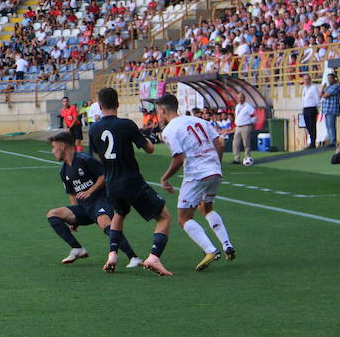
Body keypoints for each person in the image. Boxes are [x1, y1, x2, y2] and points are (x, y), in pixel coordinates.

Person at [89, 87, 173, 276]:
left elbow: (98, 157)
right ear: (117, 104)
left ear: (100, 106)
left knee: (119, 213)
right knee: (164, 217)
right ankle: (154, 257)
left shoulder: (94, 129)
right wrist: (146, 139)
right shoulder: (126, 125)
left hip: (111, 183)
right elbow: (149, 149)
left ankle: (112, 254)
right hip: (131, 181)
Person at [156, 94, 235, 271]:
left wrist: (165, 178)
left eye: (157, 112)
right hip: (214, 171)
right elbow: (219, 143)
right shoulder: (197, 120)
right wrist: (216, 165)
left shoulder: (169, 130)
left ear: (162, 110)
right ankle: (227, 244)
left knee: (184, 218)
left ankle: (210, 250)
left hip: (197, 174)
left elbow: (178, 159)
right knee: (206, 207)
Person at [45, 130, 142, 267]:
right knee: (53, 214)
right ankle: (77, 248)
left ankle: (134, 257)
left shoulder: (85, 159)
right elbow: (72, 193)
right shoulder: (63, 171)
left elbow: (104, 176)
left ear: (62, 146)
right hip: (84, 207)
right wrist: (74, 216)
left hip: (101, 200)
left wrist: (90, 191)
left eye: (54, 147)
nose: (52, 151)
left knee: (104, 223)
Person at [232, 93, 255, 164]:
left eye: (241, 98)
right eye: (238, 98)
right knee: (235, 143)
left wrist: (250, 122)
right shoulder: (237, 106)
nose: (240, 99)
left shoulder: (248, 106)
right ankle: (236, 158)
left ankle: (247, 157)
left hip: (245, 126)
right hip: (238, 126)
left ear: (244, 98)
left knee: (246, 143)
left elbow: (254, 115)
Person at [320, 72, 340, 147]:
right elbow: (320, 95)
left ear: (334, 78)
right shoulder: (328, 87)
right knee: (328, 126)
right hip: (326, 109)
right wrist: (322, 88)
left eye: (330, 78)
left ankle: (333, 141)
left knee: (331, 126)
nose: (329, 80)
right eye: (328, 78)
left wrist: (323, 90)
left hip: (332, 109)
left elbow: (325, 95)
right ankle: (331, 140)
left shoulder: (336, 86)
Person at [301, 74, 320, 149]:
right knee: (308, 125)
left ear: (310, 80)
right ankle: (311, 140)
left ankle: (313, 142)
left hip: (312, 108)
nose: (305, 81)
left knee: (312, 125)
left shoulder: (313, 88)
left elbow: (317, 98)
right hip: (305, 108)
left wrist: (318, 107)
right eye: (304, 79)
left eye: (307, 79)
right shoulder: (304, 89)